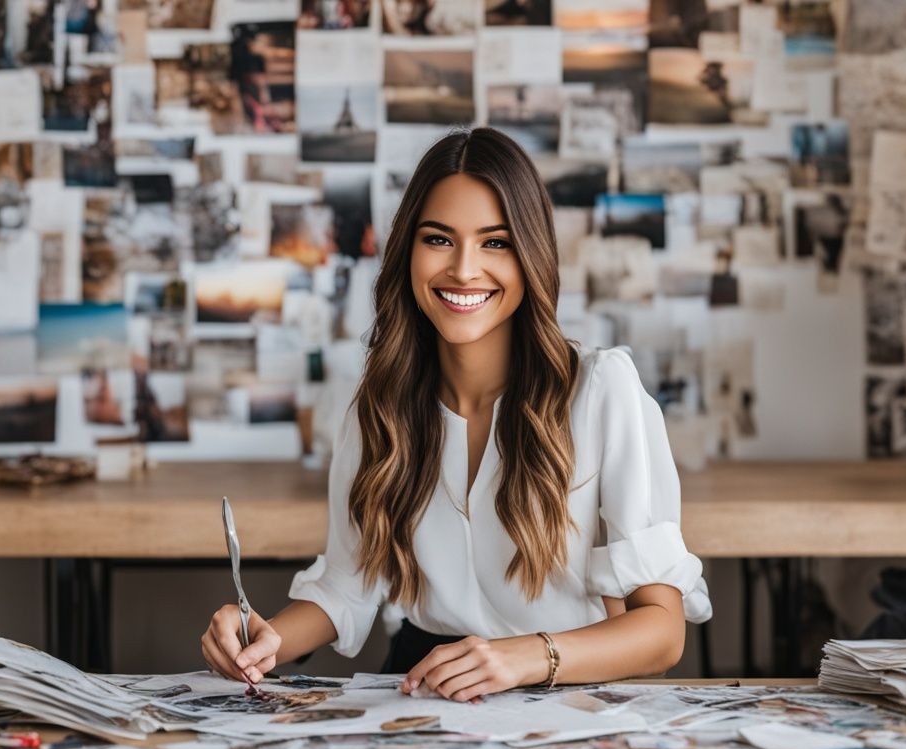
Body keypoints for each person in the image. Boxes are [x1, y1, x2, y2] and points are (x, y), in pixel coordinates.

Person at [201, 127, 712, 702]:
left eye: (495, 242)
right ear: (408, 252)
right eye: (439, 239)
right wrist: (262, 638)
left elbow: (662, 633)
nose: (464, 270)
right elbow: (346, 587)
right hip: (425, 690)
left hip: (564, 692)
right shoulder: (378, 406)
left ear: (531, 256)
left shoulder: (601, 391)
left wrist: (522, 658)